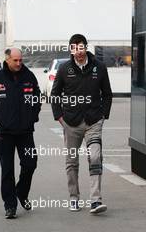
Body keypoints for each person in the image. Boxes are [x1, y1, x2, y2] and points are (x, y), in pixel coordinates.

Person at [51, 34, 112, 214]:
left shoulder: (99, 68)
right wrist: (60, 118)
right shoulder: (64, 69)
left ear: (86, 47)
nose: (78, 53)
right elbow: (55, 95)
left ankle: (95, 200)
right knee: (72, 161)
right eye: (74, 49)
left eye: (81, 48)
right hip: (71, 123)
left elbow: (107, 94)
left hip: (94, 121)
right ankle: (74, 197)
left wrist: (103, 116)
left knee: (95, 157)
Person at [0, 48, 41, 219]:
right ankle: (10, 205)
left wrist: (33, 116)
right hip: (5, 133)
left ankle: (21, 193)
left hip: (25, 132)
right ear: (7, 60)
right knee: (7, 170)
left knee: (30, 164)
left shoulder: (29, 76)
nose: (19, 63)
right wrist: (0, 119)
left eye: (20, 60)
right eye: (15, 60)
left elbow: (37, 98)